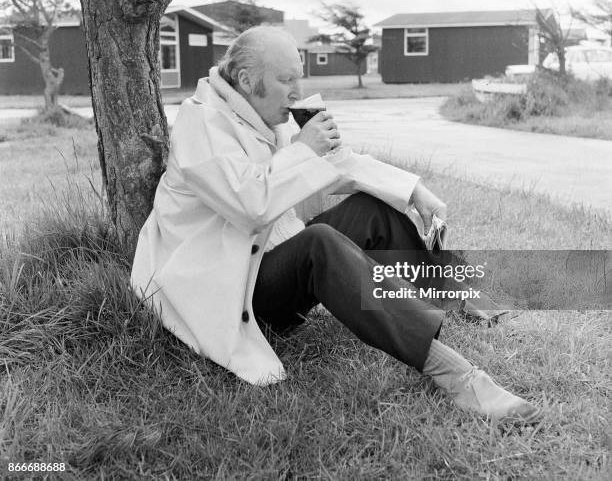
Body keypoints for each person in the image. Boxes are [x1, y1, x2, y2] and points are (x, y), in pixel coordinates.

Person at [131, 26, 541, 423]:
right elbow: (250, 204)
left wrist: (415, 191)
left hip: (265, 262)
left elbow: (338, 164)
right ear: (245, 79)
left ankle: (455, 294)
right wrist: (303, 150)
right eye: (285, 80)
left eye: (300, 77)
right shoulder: (201, 124)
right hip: (232, 291)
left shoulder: (260, 113)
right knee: (319, 245)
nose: (296, 90)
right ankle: (456, 374)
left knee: (372, 209)